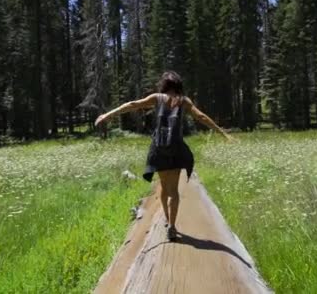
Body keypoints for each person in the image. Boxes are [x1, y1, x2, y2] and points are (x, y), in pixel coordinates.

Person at [94, 71, 233, 240]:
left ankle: (167, 220)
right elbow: (201, 116)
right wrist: (221, 132)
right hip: (176, 149)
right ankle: (173, 226)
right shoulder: (183, 101)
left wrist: (108, 115)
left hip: (159, 149)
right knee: (173, 191)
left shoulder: (157, 98)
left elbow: (133, 104)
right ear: (178, 85)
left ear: (164, 85)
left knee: (163, 186)